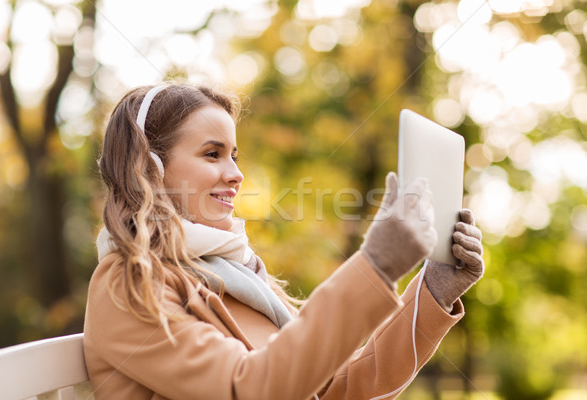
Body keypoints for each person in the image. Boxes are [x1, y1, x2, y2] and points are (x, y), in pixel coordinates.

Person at [83, 83, 485, 400]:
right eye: (212, 154)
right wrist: (376, 264)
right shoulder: (128, 282)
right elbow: (250, 389)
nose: (235, 173)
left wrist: (433, 291)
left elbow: (337, 393)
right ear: (150, 169)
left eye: (234, 155)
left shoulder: (235, 275)